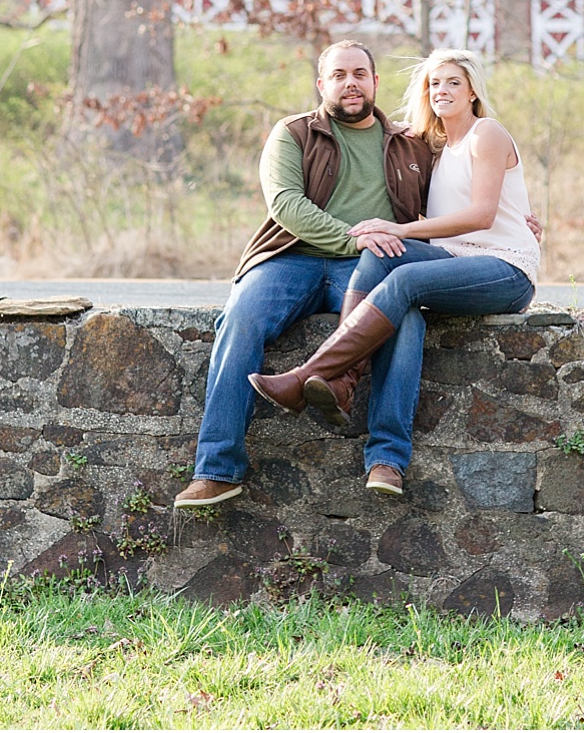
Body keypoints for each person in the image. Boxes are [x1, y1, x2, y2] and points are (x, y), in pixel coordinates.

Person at [249, 48, 540, 496]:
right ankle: (343, 382)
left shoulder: (487, 133)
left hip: (505, 268)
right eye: (434, 83)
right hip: (455, 261)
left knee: (402, 275)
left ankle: (308, 375)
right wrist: (387, 233)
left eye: (453, 82)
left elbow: (483, 215)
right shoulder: (434, 148)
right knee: (379, 251)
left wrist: (400, 228)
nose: (442, 90)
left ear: (473, 91)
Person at [174, 39, 433, 508]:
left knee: (406, 320)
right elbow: (287, 205)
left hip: (368, 266)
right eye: (339, 75)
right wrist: (353, 238)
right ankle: (217, 470)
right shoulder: (293, 133)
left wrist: (513, 222)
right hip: (290, 257)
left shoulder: (409, 145)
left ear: (376, 82)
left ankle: (387, 459)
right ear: (321, 84)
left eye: (359, 74)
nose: (350, 83)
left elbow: (453, 202)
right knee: (241, 318)